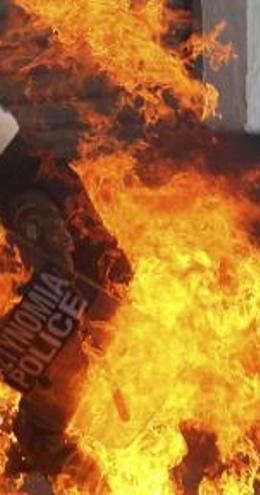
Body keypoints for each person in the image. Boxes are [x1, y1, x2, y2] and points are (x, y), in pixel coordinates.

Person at [0, 105, 132, 478]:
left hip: (81, 316)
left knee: (41, 438)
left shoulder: (25, 200)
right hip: (92, 307)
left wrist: (15, 332)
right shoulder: (38, 172)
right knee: (35, 434)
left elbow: (56, 270)